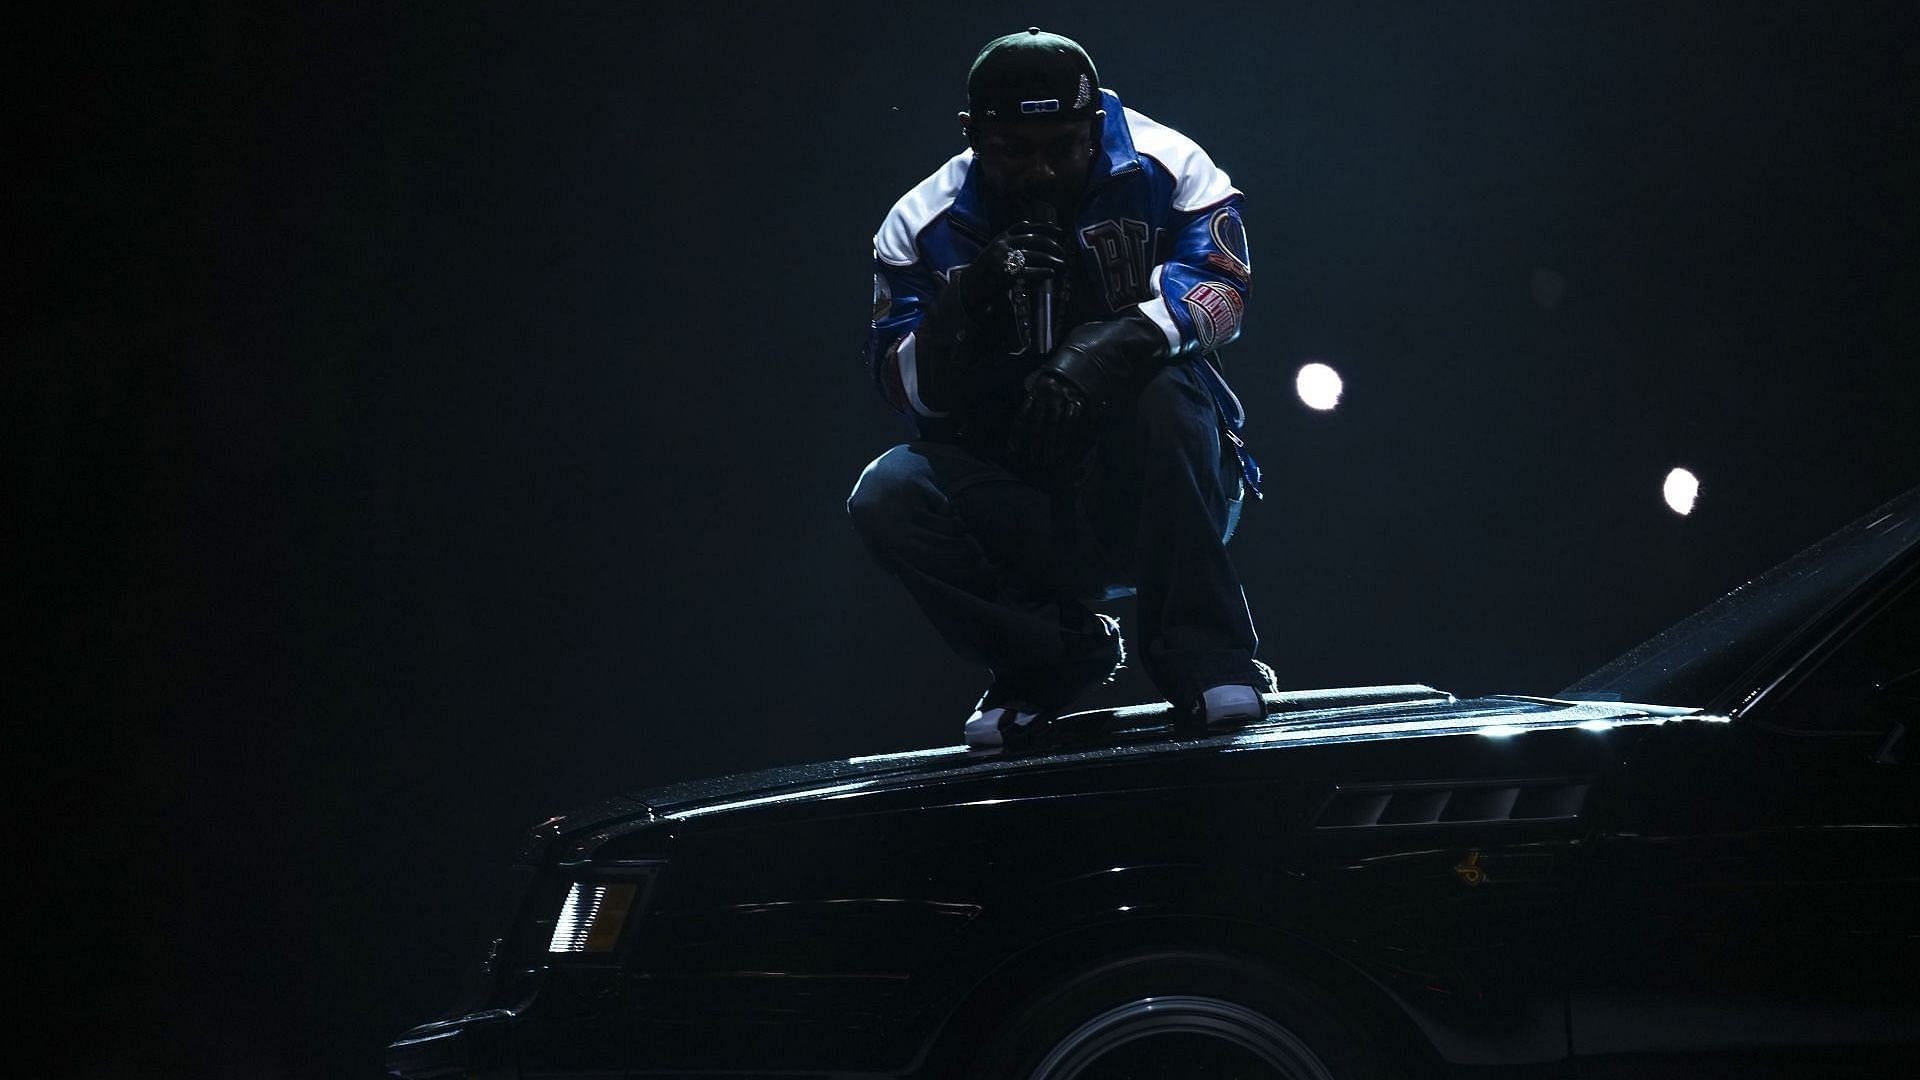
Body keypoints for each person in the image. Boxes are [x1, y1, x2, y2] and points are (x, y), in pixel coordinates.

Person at [848, 27, 1269, 751]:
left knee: (1164, 395)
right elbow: (901, 387)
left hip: (1166, 475)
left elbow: (1223, 290)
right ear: (972, 133)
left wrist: (1110, 347)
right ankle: (1049, 656)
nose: (1040, 172)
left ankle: (1209, 657)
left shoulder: (1171, 167)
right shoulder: (919, 225)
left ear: (1096, 124)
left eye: (1062, 147)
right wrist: (964, 308)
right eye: (1014, 150)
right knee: (886, 493)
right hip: (1023, 489)